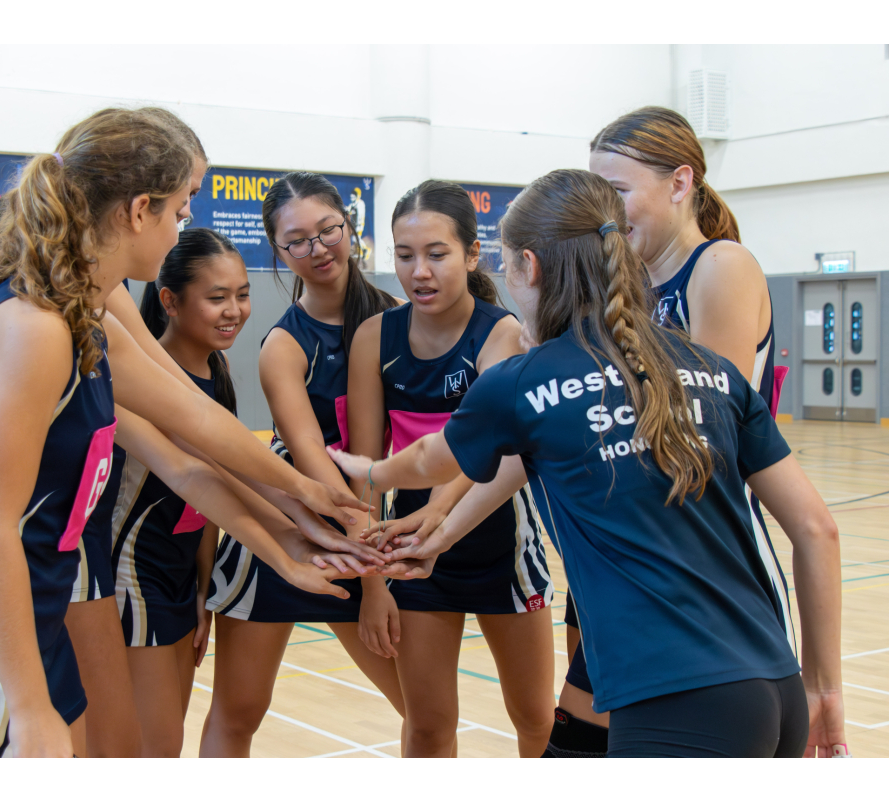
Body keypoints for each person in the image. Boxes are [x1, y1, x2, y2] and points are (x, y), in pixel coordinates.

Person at [0, 107, 373, 758]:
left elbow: (195, 425)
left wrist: (302, 515)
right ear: (138, 211)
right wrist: (26, 702)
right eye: (178, 214)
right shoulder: (36, 329)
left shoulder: (86, 321)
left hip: (32, 619)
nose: (178, 233)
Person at [331, 168, 845, 758]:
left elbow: (430, 458)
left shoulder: (523, 381)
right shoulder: (709, 370)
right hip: (775, 684)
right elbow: (816, 528)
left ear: (530, 267)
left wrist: (369, 472)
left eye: (503, 263)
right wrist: (824, 687)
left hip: (676, 701)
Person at [524, 106, 791, 754]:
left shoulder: (720, 265)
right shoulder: (635, 286)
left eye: (614, 191)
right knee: (585, 736)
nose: (601, 209)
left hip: (695, 566)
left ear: (679, 182)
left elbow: (703, 441)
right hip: (624, 556)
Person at [200, 171, 407, 757]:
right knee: (239, 713)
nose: (318, 249)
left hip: (365, 535)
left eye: (327, 230)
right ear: (278, 252)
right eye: (297, 240)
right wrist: (374, 584)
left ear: (350, 227)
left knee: (422, 704)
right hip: (283, 526)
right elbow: (320, 474)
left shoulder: (399, 319)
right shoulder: (283, 346)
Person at [344, 180, 554, 758]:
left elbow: (484, 446)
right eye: (405, 255)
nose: (420, 272)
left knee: (537, 719)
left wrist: (441, 513)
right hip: (412, 555)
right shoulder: (375, 338)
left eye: (437, 254)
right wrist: (371, 584)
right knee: (429, 723)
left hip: (500, 543)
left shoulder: (503, 333)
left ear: (471, 254)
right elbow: (366, 474)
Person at [109, 228, 249, 756]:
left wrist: (202, 589)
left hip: (178, 581)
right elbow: (193, 478)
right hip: (133, 576)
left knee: (165, 743)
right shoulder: (146, 381)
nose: (233, 309)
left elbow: (208, 501)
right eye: (216, 297)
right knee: (157, 751)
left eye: (241, 293)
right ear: (169, 300)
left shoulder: (219, 370)